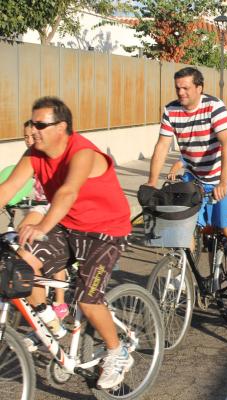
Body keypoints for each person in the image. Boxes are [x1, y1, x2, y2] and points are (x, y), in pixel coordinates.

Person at [0, 97, 133, 389]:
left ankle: (116, 350)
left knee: (87, 298)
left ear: (62, 127)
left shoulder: (81, 152)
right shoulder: (34, 153)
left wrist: (41, 226)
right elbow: (7, 189)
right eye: (31, 123)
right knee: (20, 267)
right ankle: (51, 327)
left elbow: (68, 192)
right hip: (69, 226)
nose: (33, 130)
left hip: (106, 232)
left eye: (40, 124)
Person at [147, 67, 227, 300]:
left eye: (186, 88)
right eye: (178, 88)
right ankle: (181, 273)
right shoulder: (171, 110)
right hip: (196, 177)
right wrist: (151, 183)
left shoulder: (214, 107)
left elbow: (226, 144)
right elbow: (162, 146)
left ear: (199, 88)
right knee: (183, 225)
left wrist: (223, 182)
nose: (181, 92)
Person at [18, 120, 68, 321]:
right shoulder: (29, 157)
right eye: (25, 137)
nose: (29, 141)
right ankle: (38, 298)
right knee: (21, 235)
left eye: (33, 136)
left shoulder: (54, 155)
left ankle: (59, 300)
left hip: (56, 205)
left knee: (50, 244)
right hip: (41, 204)